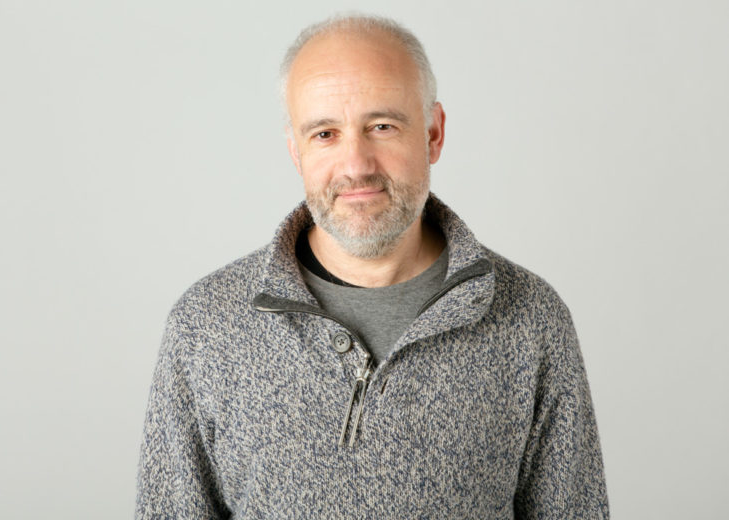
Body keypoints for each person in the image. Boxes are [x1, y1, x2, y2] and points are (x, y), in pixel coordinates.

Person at [136, 14, 609, 519]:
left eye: (382, 127)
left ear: (433, 133)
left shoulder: (532, 318)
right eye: (325, 134)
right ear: (296, 152)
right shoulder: (205, 325)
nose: (356, 165)